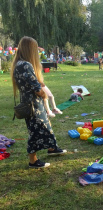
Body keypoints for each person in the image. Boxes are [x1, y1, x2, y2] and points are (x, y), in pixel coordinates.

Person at [11, 36, 66, 168]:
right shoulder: (25, 65)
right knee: (36, 129)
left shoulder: (19, 64)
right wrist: (44, 95)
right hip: (33, 104)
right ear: (30, 49)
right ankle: (33, 160)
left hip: (30, 102)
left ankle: (52, 148)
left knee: (45, 124)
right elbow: (36, 87)